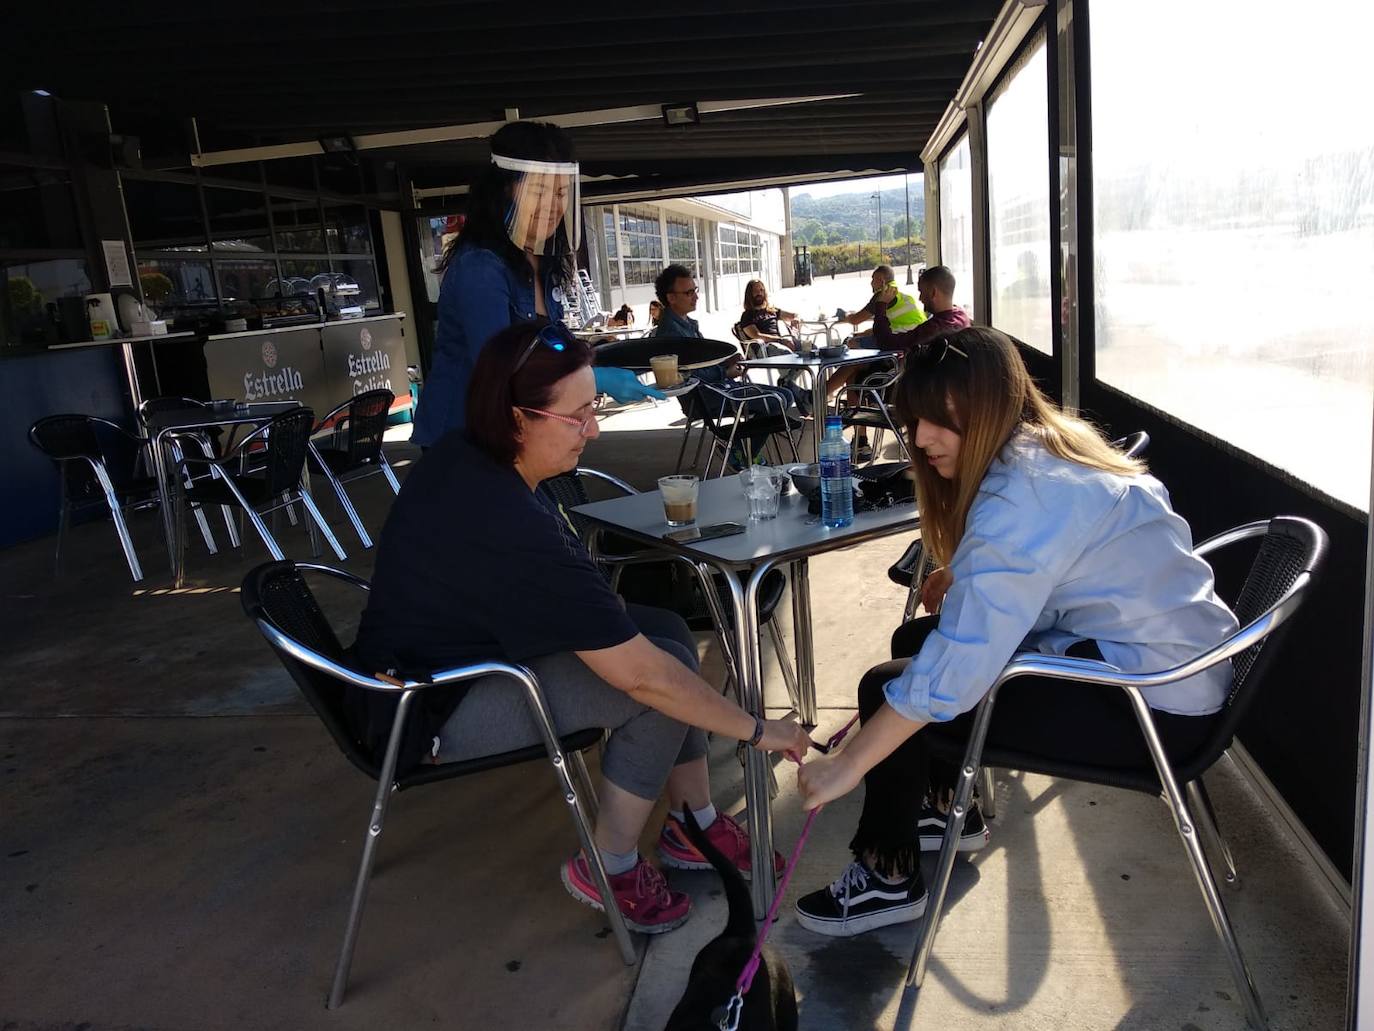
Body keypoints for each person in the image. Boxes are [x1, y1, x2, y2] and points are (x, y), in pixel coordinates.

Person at [354, 320, 810, 934]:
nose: (594, 429)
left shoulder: (469, 456)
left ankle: (692, 820)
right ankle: (609, 864)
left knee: (669, 629)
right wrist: (759, 732)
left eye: (593, 408)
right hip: (423, 708)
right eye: (579, 416)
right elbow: (646, 681)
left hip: (436, 661)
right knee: (656, 694)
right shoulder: (507, 522)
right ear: (518, 418)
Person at [792, 326, 1239, 937]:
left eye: (937, 421)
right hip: (1168, 668)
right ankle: (946, 807)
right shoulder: (1050, 448)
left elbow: (956, 671)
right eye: (914, 420)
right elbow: (1056, 565)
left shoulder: (1021, 495)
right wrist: (969, 574)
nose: (919, 440)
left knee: (889, 685)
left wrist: (845, 765)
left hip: (1152, 715)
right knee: (913, 647)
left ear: (987, 406)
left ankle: (887, 877)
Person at [411, 121, 659, 448]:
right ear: (505, 189)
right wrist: (593, 380)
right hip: (465, 442)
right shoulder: (481, 267)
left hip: (518, 436)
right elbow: (502, 366)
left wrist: (593, 359)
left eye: (560, 193)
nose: (552, 206)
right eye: (538, 190)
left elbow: (548, 345)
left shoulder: (541, 261)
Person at [652, 264, 803, 466]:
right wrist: (725, 371)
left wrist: (727, 360)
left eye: (695, 290)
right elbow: (689, 375)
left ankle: (743, 451)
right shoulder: (672, 333)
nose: (695, 296)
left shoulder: (684, 323)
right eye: (689, 292)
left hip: (716, 390)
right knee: (778, 399)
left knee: (784, 396)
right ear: (671, 298)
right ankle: (742, 452)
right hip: (708, 397)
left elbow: (703, 359)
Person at [828, 265, 928, 462]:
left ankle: (818, 396)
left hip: (895, 362)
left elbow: (857, 318)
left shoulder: (882, 295)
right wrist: (864, 334)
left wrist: (845, 318)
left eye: (873, 279)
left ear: (882, 280)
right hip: (910, 359)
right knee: (853, 375)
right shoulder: (901, 296)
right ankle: (860, 440)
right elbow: (887, 326)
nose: (870, 283)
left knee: (852, 351)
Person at [868, 265, 972, 352]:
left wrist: (881, 304)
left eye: (921, 292)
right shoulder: (961, 315)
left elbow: (887, 343)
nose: (920, 298)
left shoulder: (934, 329)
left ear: (933, 293)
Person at [737, 280, 800, 353]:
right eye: (755, 291)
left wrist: (796, 319)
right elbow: (757, 335)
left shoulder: (771, 310)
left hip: (780, 342)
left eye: (761, 290)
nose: (759, 293)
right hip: (764, 348)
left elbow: (794, 315)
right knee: (786, 352)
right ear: (749, 294)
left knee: (810, 347)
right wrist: (780, 340)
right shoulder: (747, 315)